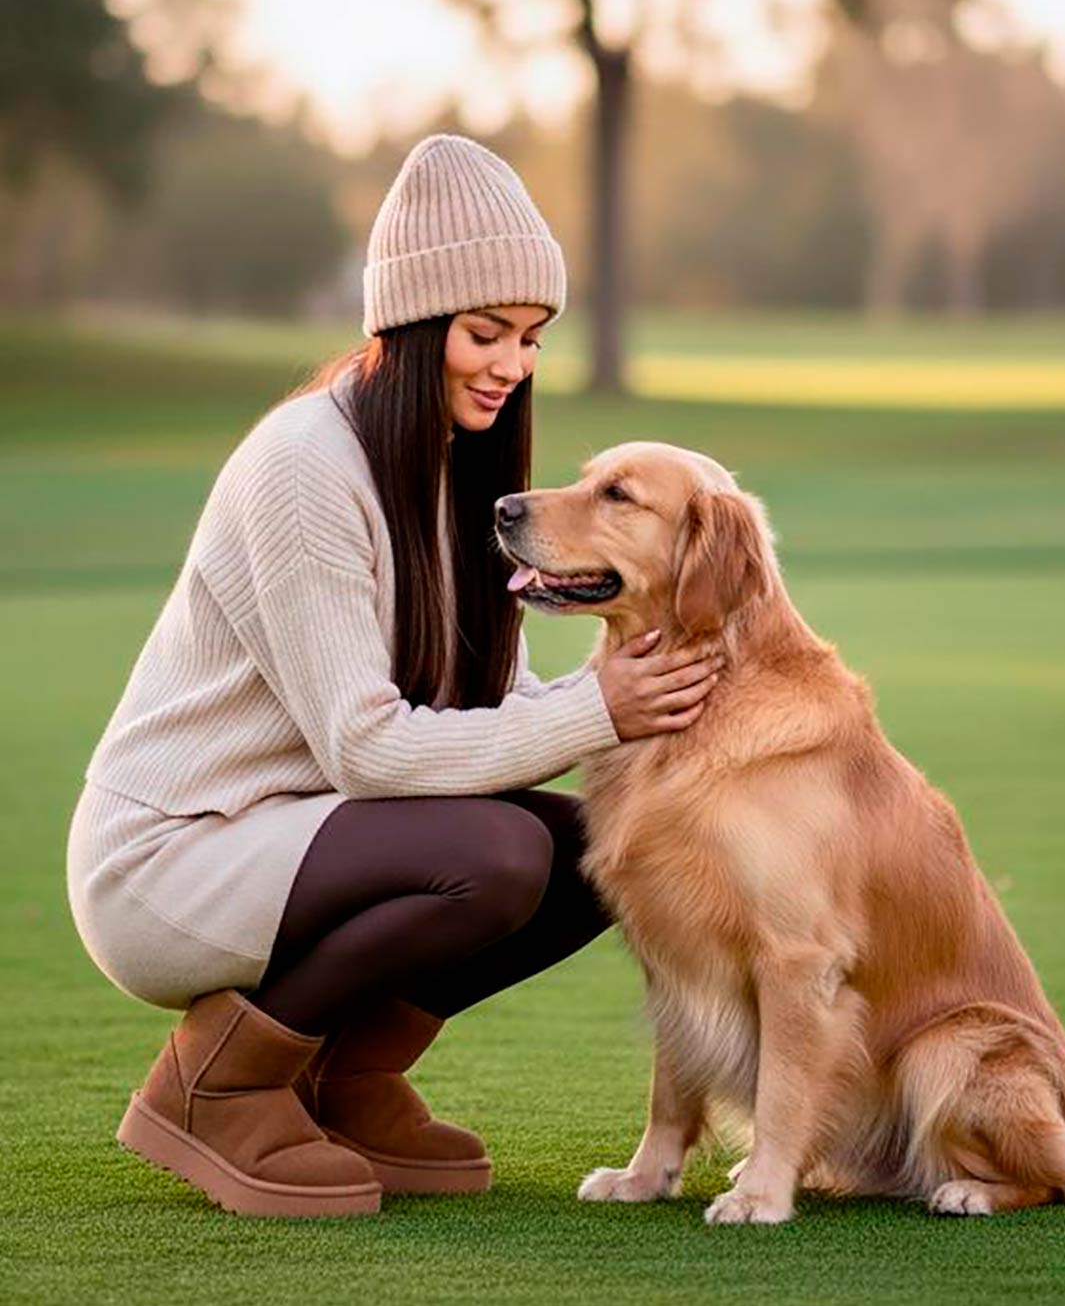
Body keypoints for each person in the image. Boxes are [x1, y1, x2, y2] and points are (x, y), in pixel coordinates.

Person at [65, 134, 724, 1218]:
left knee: (582, 853)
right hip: (173, 853)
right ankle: (217, 1088)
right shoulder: (303, 466)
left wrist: (603, 709)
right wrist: (599, 709)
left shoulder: (464, 472)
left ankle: (345, 1079)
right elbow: (365, 748)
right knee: (499, 852)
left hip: (303, 831)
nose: (510, 365)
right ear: (413, 325)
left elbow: (498, 713)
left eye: (530, 338)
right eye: (483, 333)